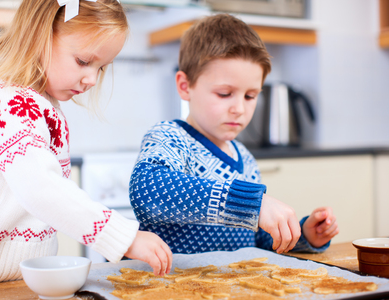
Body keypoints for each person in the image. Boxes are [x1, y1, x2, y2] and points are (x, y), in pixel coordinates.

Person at [0, 0, 172, 288]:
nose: (91, 79)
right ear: (40, 36)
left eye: (101, 68)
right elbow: (40, 187)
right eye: (84, 61)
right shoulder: (12, 103)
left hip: (16, 281)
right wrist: (123, 236)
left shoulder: (38, 103)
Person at [129, 14, 339, 256]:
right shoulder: (171, 138)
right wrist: (251, 204)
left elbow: (254, 240)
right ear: (185, 86)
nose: (239, 108)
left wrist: (302, 235)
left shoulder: (245, 158)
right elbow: (148, 189)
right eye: (224, 93)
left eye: (250, 96)